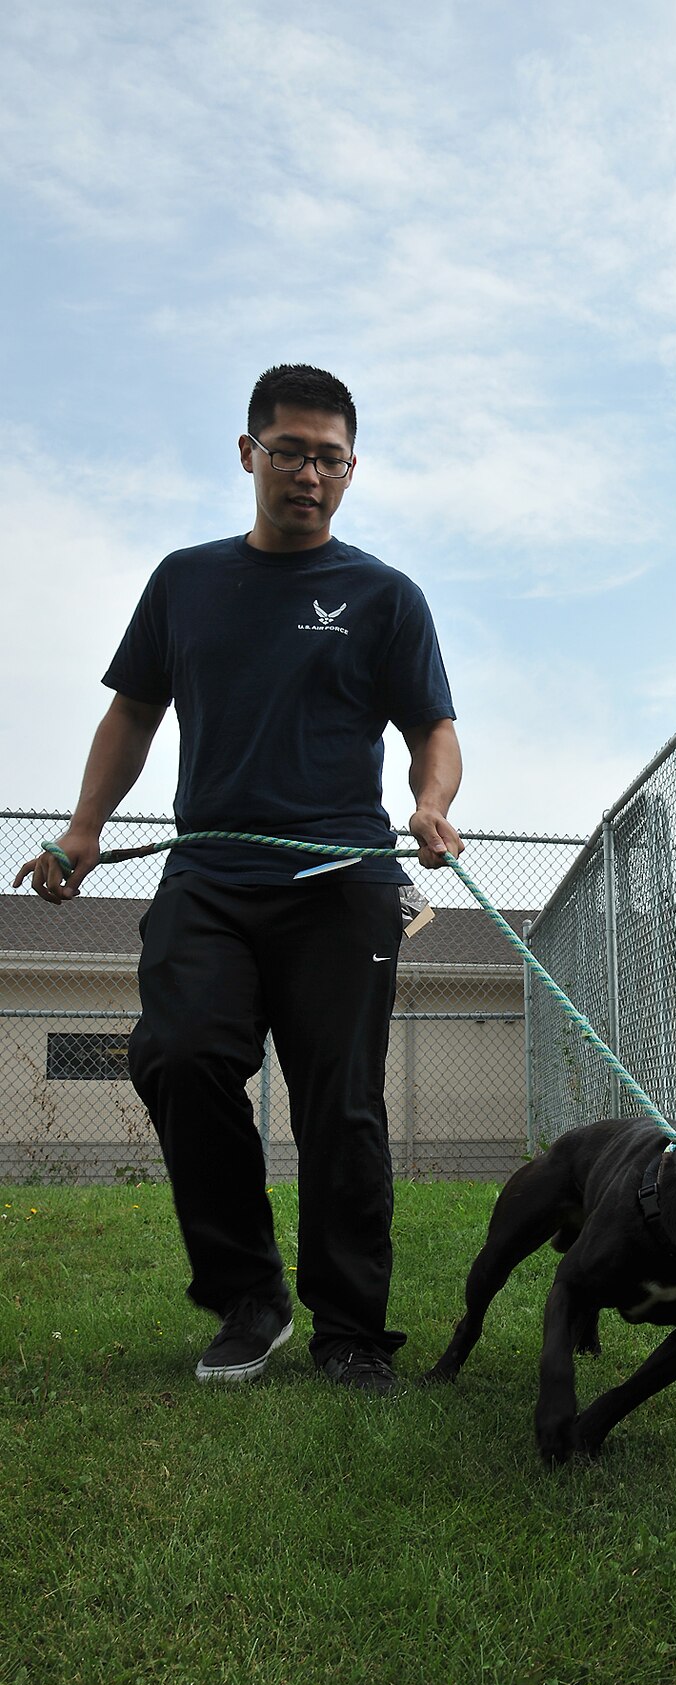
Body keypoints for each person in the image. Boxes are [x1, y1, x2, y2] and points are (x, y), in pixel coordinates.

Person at [14, 364, 463, 1396]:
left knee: (340, 1103)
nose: (310, 472)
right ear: (249, 452)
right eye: (291, 450)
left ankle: (350, 1329)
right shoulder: (186, 581)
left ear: (352, 469)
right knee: (177, 1055)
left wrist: (430, 804)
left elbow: (432, 728)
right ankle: (249, 1295)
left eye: (331, 457)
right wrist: (82, 832)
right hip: (211, 873)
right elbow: (131, 712)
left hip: (341, 878)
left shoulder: (384, 596)